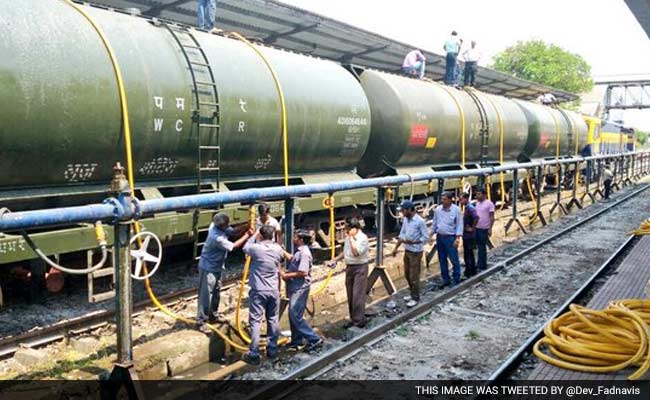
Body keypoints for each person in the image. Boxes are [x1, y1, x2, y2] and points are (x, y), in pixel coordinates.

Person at [197, 213, 252, 332]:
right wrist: (247, 235)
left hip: (216, 266)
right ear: (221, 226)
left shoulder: (217, 225)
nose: (227, 227)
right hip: (208, 268)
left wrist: (246, 226)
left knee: (216, 291)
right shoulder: (216, 237)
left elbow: (232, 232)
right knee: (206, 295)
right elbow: (233, 246)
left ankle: (213, 315)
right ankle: (202, 321)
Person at [241, 225, 285, 365]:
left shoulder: (255, 248)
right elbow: (281, 259)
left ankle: (254, 352)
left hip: (258, 291)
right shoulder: (278, 249)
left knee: (255, 321)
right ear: (272, 236)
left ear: (261, 235)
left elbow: (245, 247)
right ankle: (272, 349)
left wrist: (254, 234)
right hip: (273, 290)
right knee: (273, 319)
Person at [281, 230, 324, 352]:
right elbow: (293, 259)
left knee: (295, 314)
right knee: (293, 314)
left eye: (295, 236)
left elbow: (303, 272)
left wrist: (285, 275)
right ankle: (296, 341)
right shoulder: (300, 251)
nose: (293, 238)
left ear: (300, 239)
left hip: (300, 288)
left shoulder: (304, 253)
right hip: (295, 286)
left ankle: (314, 339)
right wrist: (282, 251)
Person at [330, 218, 370, 327]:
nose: (346, 231)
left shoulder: (362, 238)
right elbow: (346, 251)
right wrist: (335, 259)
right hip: (350, 267)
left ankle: (359, 320)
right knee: (350, 293)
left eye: (348, 228)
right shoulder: (349, 237)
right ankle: (354, 318)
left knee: (358, 294)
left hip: (360, 267)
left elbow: (356, 253)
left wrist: (352, 239)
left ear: (355, 228)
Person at [392, 200, 429, 307]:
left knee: (414, 275)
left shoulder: (419, 221)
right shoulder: (406, 220)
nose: (402, 213)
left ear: (409, 210)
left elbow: (425, 237)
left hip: (416, 252)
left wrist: (414, 242)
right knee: (407, 274)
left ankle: (415, 297)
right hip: (407, 250)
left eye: (403, 210)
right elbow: (402, 234)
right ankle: (412, 293)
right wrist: (396, 248)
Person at [429, 192, 463, 287]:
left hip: (450, 237)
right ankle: (446, 279)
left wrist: (457, 238)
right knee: (442, 259)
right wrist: (431, 235)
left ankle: (456, 278)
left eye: (444, 199)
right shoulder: (438, 210)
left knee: (454, 258)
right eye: (442, 199)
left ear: (449, 200)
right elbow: (435, 223)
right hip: (440, 237)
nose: (442, 201)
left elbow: (459, 224)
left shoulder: (456, 210)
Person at [474, 188, 495, 271]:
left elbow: (492, 217)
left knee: (482, 247)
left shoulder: (489, 204)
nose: (477, 196)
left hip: (484, 228)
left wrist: (490, 228)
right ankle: (479, 263)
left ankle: (482, 265)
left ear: (484, 195)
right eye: (477, 194)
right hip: (477, 228)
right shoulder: (477, 203)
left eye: (479, 194)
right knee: (478, 247)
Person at [460, 193, 479, 278]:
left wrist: (472, 228)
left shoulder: (470, 208)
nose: (460, 201)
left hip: (469, 235)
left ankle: (469, 271)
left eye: (461, 199)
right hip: (468, 234)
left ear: (466, 199)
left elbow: (476, 217)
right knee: (469, 253)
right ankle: (471, 270)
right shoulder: (468, 208)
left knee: (468, 253)